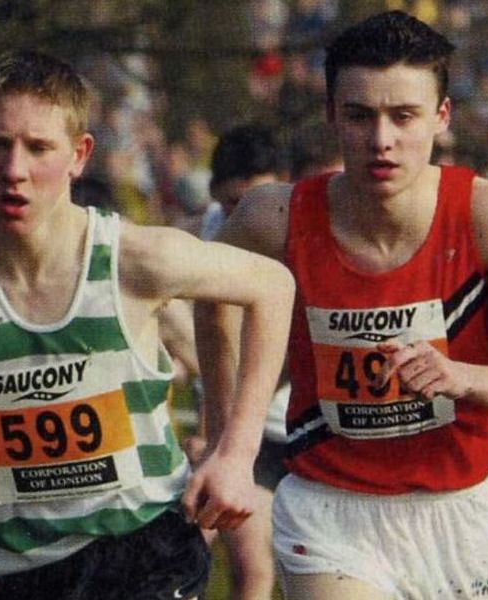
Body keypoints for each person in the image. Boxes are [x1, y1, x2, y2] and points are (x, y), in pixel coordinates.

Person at [0, 50, 294, 600]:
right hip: (6, 569)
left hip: (144, 551)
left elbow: (272, 287)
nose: (15, 169)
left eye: (39, 148)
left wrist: (236, 450)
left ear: (79, 155)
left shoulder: (135, 257)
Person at [195, 11, 488, 600]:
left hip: (459, 511)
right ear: (332, 113)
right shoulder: (273, 217)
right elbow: (213, 301)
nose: (382, 140)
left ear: (441, 116)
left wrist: (461, 377)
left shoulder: (487, 215)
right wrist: (226, 437)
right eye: (360, 116)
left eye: (403, 116)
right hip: (329, 511)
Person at [194, 124, 288, 600]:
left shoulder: (294, 231)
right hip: (223, 428)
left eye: (255, 200)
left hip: (287, 429)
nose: (245, 216)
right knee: (181, 552)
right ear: (214, 195)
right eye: (233, 204)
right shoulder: (200, 239)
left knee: (256, 569)